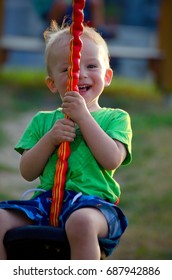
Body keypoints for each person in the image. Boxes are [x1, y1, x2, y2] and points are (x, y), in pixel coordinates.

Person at [0, 20, 132, 260]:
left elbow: (112, 159)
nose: (79, 74)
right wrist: (50, 139)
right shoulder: (43, 121)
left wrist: (83, 117)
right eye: (67, 70)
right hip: (47, 202)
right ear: (52, 84)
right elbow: (28, 172)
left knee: (80, 222)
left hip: (95, 207)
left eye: (92, 66)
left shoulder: (115, 118)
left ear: (108, 75)